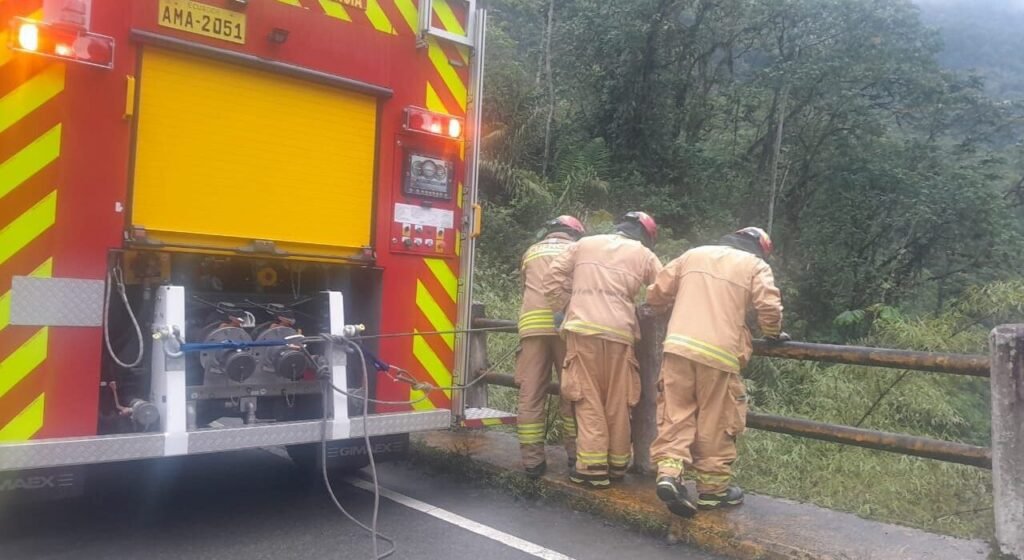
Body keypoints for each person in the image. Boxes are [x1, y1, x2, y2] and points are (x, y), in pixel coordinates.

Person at [646, 227, 785, 517]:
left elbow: (658, 291)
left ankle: (669, 474)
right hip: (719, 354)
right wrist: (772, 333)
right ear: (760, 249)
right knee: (716, 422)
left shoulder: (693, 254)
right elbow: (769, 305)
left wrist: (658, 309)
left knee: (675, 415)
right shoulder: (755, 265)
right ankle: (712, 491)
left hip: (678, 347)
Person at [543, 212, 662, 488]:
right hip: (621, 334)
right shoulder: (644, 254)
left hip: (583, 330)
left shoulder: (585, 244)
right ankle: (617, 465)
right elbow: (663, 288)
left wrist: (566, 306)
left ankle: (593, 468)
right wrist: (650, 309)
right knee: (618, 400)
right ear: (645, 235)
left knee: (587, 397)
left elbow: (552, 278)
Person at [515, 216, 587, 478]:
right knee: (572, 391)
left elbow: (525, 287)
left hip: (532, 329)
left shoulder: (531, 252)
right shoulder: (576, 250)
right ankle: (576, 456)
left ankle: (532, 462)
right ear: (574, 233)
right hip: (564, 327)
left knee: (531, 394)